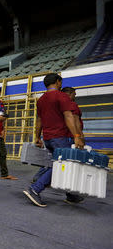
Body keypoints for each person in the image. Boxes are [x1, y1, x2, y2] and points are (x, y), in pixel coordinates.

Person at [23, 73, 85, 207]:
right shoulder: (62, 96)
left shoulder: (41, 99)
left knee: (58, 165)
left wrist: (37, 137)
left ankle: (71, 194)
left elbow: (39, 120)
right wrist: (77, 136)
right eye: (60, 82)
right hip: (60, 137)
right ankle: (35, 189)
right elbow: (69, 116)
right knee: (62, 165)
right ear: (58, 82)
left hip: (48, 138)